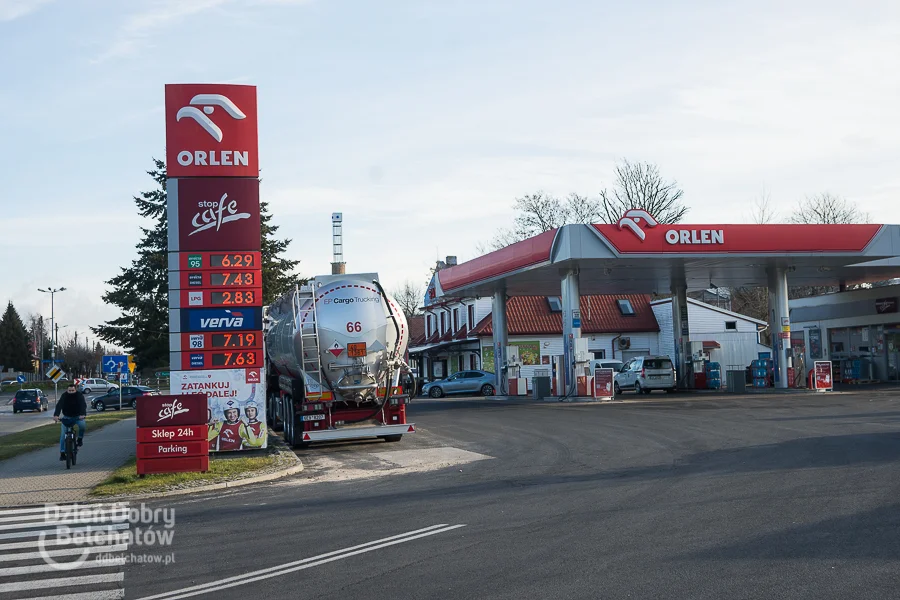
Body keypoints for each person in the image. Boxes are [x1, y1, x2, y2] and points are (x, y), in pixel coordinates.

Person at [53, 382, 87, 461]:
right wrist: (56, 415)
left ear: (75, 390)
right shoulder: (64, 396)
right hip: (67, 417)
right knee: (62, 436)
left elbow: (83, 405)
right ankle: (62, 453)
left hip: (78, 417)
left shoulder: (79, 395)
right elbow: (59, 405)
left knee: (82, 426)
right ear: (67, 390)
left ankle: (80, 439)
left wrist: (82, 414)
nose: (71, 392)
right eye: (69, 390)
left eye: (72, 390)